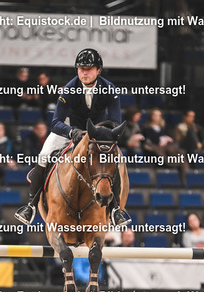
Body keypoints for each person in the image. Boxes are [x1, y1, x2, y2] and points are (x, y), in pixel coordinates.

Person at [14, 48, 130, 227]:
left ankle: (115, 210)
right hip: (70, 130)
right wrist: (72, 132)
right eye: (81, 69)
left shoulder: (110, 89)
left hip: (96, 133)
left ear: (98, 70)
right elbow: (55, 122)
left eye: (89, 69)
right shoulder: (69, 89)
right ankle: (30, 206)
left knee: (114, 160)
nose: (84, 73)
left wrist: (100, 132)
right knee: (44, 156)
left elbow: (115, 122)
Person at [142, 108, 189, 182]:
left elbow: (171, 138)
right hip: (156, 148)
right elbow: (148, 141)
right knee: (158, 149)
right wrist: (160, 140)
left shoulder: (164, 128)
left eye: (159, 115)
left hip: (168, 149)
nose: (157, 117)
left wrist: (166, 139)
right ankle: (172, 163)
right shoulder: (146, 128)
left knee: (178, 152)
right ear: (151, 116)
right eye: (155, 115)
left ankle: (185, 181)